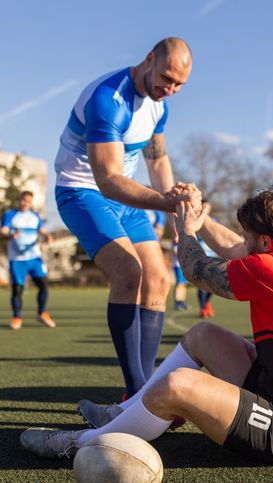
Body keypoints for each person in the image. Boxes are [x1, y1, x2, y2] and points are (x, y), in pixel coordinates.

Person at [21, 188, 273, 465]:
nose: (243, 242)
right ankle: (123, 413)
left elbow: (196, 270)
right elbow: (236, 248)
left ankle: (80, 442)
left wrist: (187, 230)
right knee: (202, 334)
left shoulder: (271, 271)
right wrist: (200, 216)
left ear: (265, 242)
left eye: (248, 236)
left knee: (177, 385)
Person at [53, 37, 200, 398]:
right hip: (83, 191)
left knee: (159, 280)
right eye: (166, 78)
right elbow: (107, 180)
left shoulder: (159, 106)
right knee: (128, 271)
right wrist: (165, 203)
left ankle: (139, 390)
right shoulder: (108, 100)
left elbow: (157, 160)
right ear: (148, 59)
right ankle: (139, 393)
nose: (171, 89)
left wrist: (174, 215)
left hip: (127, 195)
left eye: (179, 84)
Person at [0, 191, 55, 330]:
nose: (25, 203)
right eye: (23, 200)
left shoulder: (35, 216)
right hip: (17, 259)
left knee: (43, 285)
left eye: (29, 201)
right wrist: (12, 235)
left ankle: (42, 313)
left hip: (34, 257)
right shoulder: (10, 215)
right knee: (17, 289)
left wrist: (48, 236)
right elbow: (3, 232)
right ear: (19, 200)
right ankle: (17, 317)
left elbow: (42, 231)